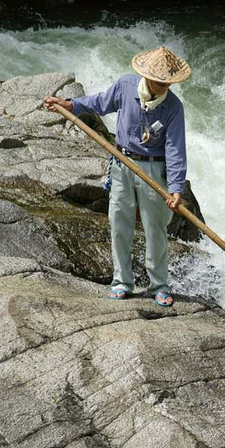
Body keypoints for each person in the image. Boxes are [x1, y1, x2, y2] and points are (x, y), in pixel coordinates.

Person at [44, 46, 191, 307]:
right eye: (158, 81)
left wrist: (176, 188)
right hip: (122, 162)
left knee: (155, 228)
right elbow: (101, 103)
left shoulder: (173, 107)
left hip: (154, 169)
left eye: (167, 82)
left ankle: (159, 285)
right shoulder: (125, 85)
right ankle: (122, 282)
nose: (162, 86)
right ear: (146, 76)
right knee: (119, 221)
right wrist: (71, 105)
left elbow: (175, 149)